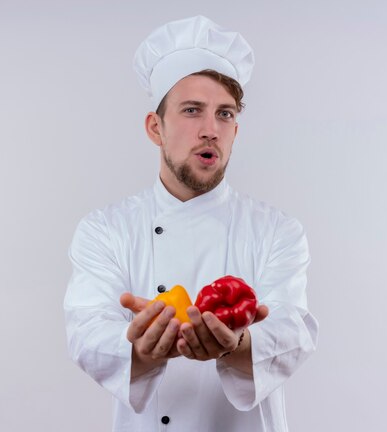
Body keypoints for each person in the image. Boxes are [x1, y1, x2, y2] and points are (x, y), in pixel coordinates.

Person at [64, 15, 318, 432]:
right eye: (191, 111)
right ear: (155, 128)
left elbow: (292, 330)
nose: (210, 130)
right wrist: (142, 350)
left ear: (236, 130)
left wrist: (239, 344)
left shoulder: (277, 230)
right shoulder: (105, 229)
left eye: (224, 114)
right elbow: (87, 331)